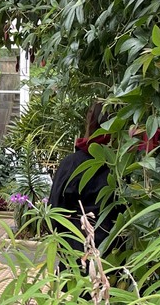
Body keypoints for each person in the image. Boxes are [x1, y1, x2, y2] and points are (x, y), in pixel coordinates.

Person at [49, 102, 116, 255]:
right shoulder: (122, 166)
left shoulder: (71, 164)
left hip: (75, 249)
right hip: (114, 253)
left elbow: (54, 210)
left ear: (89, 121)